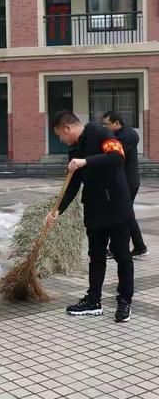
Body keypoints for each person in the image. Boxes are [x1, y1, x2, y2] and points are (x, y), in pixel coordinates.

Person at [46, 111, 134, 323]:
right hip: (94, 209)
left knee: (122, 255)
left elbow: (117, 157)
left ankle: (125, 301)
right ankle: (93, 300)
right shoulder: (74, 150)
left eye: (60, 135)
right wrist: (57, 210)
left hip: (117, 205)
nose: (60, 140)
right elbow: (73, 184)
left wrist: (85, 161)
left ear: (67, 128)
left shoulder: (101, 133)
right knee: (95, 256)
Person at [102, 111, 148, 258]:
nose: (105, 127)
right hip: (128, 181)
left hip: (126, 182)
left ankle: (116, 248)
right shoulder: (123, 135)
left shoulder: (124, 137)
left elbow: (115, 158)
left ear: (116, 123)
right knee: (127, 214)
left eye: (106, 124)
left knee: (119, 214)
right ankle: (139, 247)